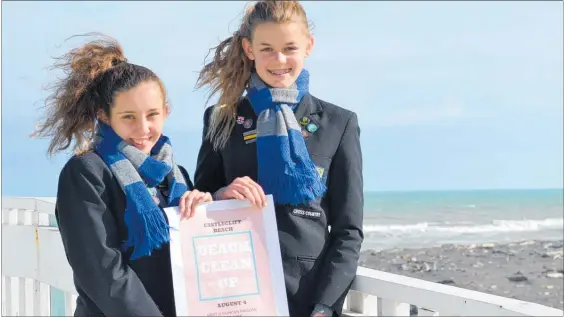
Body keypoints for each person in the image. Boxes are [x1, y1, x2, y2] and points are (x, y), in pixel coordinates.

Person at [193, 1, 364, 316]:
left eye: (289, 48)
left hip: (306, 298)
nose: (279, 60)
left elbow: (348, 230)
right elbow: (197, 205)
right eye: (267, 48)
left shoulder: (339, 123)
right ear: (249, 48)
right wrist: (220, 195)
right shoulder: (223, 119)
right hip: (237, 291)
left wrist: (325, 305)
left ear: (308, 46)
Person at [32, 34, 211, 316]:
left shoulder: (176, 176)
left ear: (166, 112)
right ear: (104, 116)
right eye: (129, 116)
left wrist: (211, 210)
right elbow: (102, 271)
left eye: (152, 115)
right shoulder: (87, 172)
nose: (143, 128)